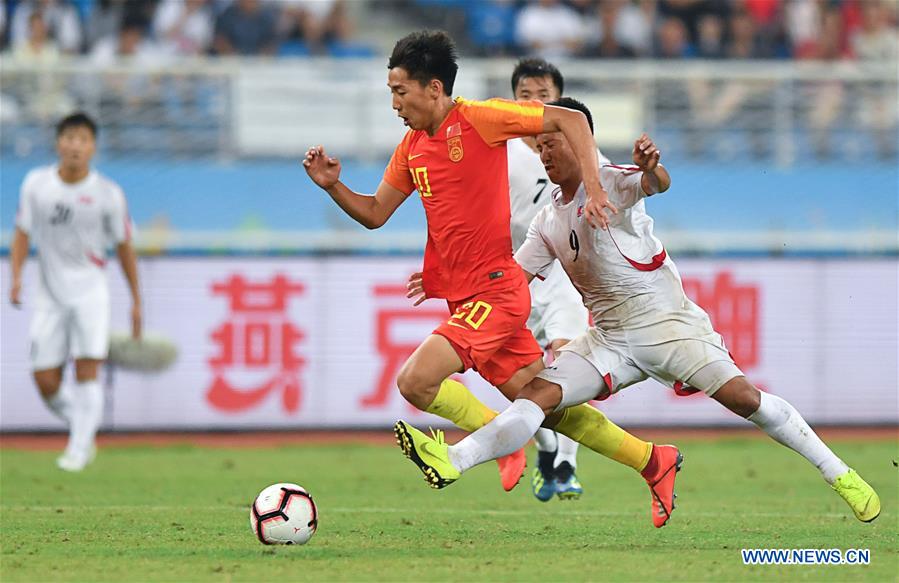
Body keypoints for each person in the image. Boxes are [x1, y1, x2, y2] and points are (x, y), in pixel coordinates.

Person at [395, 98, 882, 525]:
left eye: (553, 143)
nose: (544, 153)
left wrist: (651, 168)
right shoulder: (547, 221)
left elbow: (654, 184)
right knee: (538, 397)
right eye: (539, 146)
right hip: (608, 339)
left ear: (575, 140)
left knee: (744, 399)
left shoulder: (607, 182)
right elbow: (510, 281)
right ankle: (455, 459)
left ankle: (838, 473)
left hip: (666, 325)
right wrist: (448, 282)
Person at [304, 31, 681, 526]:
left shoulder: (480, 119)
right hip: (464, 301)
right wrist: (334, 188)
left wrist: (593, 186)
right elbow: (375, 213)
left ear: (434, 88)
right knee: (544, 405)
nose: (394, 103)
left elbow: (567, 118)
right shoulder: (411, 148)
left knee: (415, 381)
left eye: (400, 91)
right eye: (391, 92)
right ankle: (653, 460)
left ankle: (488, 444)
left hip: (500, 292)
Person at [9, 112, 142, 472]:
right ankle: (83, 428)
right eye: (69, 138)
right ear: (58, 143)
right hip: (49, 296)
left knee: (87, 370)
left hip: (90, 294)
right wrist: (16, 276)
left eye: (82, 139)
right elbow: (22, 232)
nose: (75, 146)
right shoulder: (36, 184)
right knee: (45, 379)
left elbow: (124, 247)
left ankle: (79, 449)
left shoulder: (108, 194)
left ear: (93, 147)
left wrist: (136, 301)